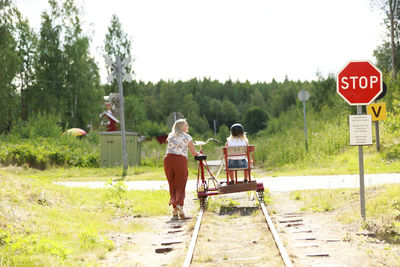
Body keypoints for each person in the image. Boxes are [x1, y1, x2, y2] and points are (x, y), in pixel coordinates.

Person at [164, 118, 199, 220]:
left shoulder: (170, 136)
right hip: (180, 160)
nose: (188, 126)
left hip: (168, 160)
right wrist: (200, 154)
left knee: (172, 183)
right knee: (181, 183)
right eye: (186, 125)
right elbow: (194, 153)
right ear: (182, 127)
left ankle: (175, 210)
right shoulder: (187, 137)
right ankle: (180, 206)